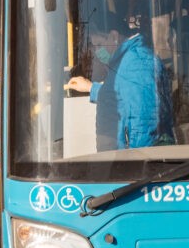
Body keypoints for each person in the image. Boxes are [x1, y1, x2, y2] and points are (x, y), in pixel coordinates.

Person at [67, 15, 174, 151]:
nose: (98, 52)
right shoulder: (127, 61)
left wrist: (137, 165)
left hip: (136, 165)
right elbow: (123, 95)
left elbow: (145, 124)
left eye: (99, 44)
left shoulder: (136, 62)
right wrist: (91, 88)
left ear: (113, 36)